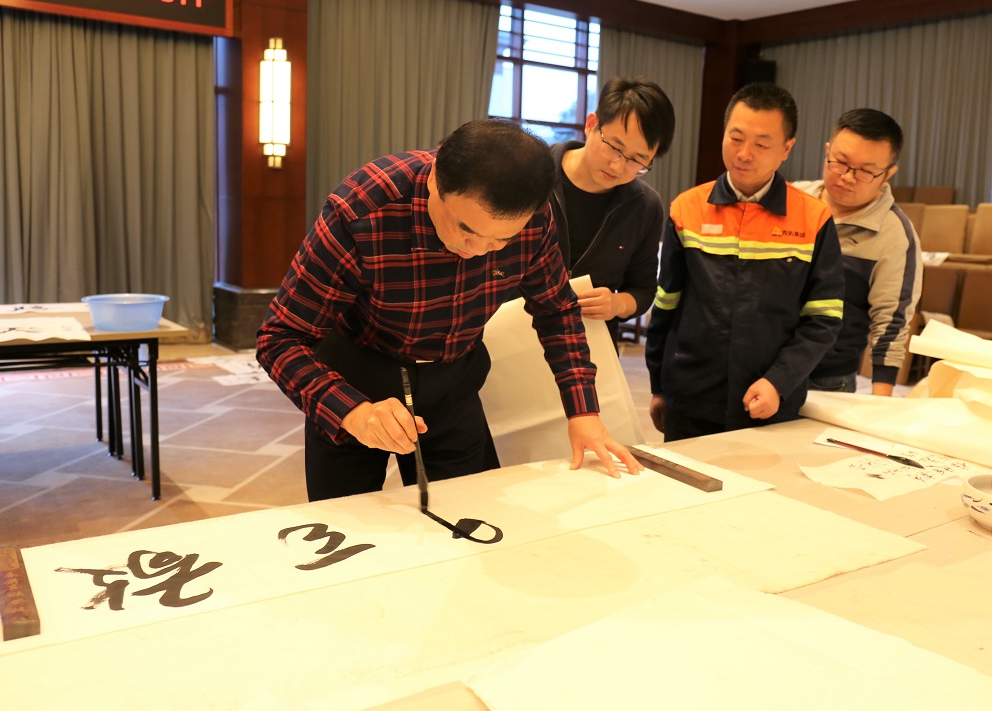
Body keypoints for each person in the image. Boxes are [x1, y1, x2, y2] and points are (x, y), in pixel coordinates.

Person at [257, 118, 642, 501]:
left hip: (454, 382)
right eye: (465, 229)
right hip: (357, 373)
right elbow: (279, 339)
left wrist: (583, 411)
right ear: (435, 179)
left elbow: (556, 311)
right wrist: (353, 413)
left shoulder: (532, 216)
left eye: (500, 241)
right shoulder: (364, 209)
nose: (476, 250)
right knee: (349, 518)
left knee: (468, 514)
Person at [644, 83, 844, 442]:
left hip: (771, 404)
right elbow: (666, 306)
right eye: (735, 138)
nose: (744, 154)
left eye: (762, 145)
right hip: (690, 400)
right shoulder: (686, 208)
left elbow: (823, 319)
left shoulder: (814, 218)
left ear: (787, 149)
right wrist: (658, 385)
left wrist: (778, 381)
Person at [793, 108, 922, 395]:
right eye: (840, 162)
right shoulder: (792, 201)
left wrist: (880, 403)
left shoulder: (894, 234)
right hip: (759, 368)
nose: (848, 177)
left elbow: (891, 323)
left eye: (865, 171)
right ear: (827, 151)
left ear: (888, 174)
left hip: (827, 380)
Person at [548, 75, 675, 348]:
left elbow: (643, 290)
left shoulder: (645, 206)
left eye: (637, 160)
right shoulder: (536, 173)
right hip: (513, 336)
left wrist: (616, 303)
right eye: (615, 147)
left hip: (589, 345)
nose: (618, 167)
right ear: (591, 124)